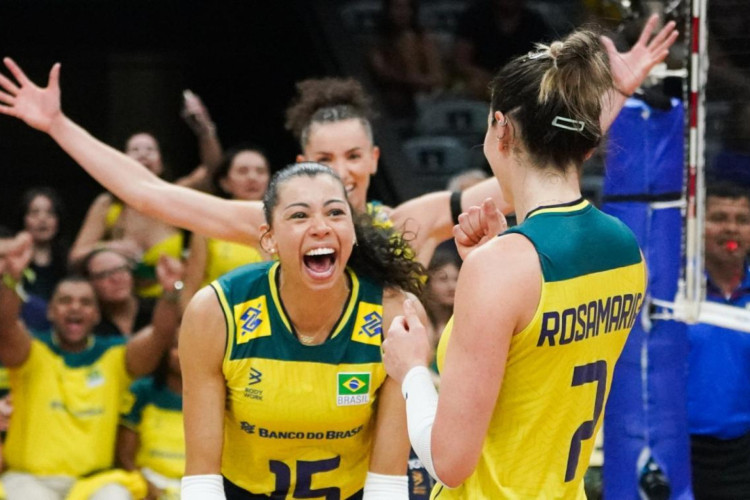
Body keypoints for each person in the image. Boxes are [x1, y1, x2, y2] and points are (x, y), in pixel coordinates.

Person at [0, 15, 673, 268]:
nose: (343, 173)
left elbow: (541, 171)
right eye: (324, 162)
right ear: (300, 168)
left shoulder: (408, 225)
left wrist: (614, 94)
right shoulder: (265, 226)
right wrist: (58, 124)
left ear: (376, 161)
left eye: (355, 158)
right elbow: (145, 192)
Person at [381, 26, 666, 497]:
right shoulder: (627, 249)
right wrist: (498, 254)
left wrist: (412, 369)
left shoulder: (503, 268)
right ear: (587, 147)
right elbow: (538, 374)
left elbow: (449, 463)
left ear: (501, 128)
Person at [179, 163, 425, 498]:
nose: (321, 227)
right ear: (269, 239)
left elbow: (387, 482)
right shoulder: (217, 311)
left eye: (335, 213)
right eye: (299, 216)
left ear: (352, 231)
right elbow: (201, 481)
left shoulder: (393, 314)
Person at [0, 231, 182, 500]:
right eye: (65, 301)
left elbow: (159, 336)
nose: (75, 308)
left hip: (95, 482)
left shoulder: (115, 355)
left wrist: (170, 292)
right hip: (31, 481)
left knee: (115, 496)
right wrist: (11, 278)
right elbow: (4, 324)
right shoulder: (31, 350)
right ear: (50, 311)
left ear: (96, 315)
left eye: (85, 302)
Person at [687, 183, 750, 499]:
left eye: (742, 220)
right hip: (681, 455)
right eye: (720, 217)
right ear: (699, 224)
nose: (731, 228)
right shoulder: (676, 292)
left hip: (742, 457)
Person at [180, 144, 270, 309]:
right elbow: (190, 288)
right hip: (219, 320)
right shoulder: (207, 226)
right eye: (243, 171)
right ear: (225, 183)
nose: (252, 177)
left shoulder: (283, 225)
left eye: (260, 171)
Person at [117, 336, 184, 500]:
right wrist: (145, 484)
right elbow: (124, 455)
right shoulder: (141, 391)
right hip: (147, 481)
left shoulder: (214, 394)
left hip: (194, 485)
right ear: (164, 351)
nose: (183, 353)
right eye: (176, 347)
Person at [454, 0, 556, 99]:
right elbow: (461, 61)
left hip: (521, 84)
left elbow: (543, 63)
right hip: (482, 83)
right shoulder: (474, 17)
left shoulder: (535, 23)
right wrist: (487, 79)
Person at [368, 0, 446, 120]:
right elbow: (381, 72)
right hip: (393, 97)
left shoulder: (425, 39)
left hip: (427, 95)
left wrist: (424, 84)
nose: (402, 12)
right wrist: (409, 80)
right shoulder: (377, 41)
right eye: (397, 7)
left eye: (406, 8)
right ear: (388, 10)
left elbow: (437, 77)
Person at [16, 187, 69, 330]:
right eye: (34, 213)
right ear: (23, 219)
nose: (42, 219)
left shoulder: (69, 263)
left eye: (50, 213)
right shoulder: (11, 261)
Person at [81, 248, 156, 337]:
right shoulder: (90, 323)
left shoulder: (157, 309)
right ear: (90, 284)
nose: (116, 279)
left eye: (121, 269)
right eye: (104, 274)